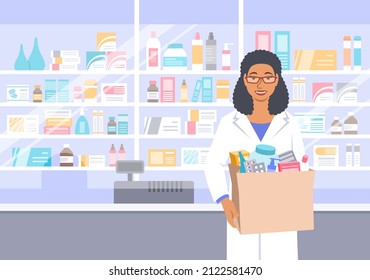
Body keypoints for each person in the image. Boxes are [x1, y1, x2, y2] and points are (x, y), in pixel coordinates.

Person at [204, 49, 307, 260]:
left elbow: (301, 167)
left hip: (282, 215)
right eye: (253, 77)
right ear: (244, 80)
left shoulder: (289, 123)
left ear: (277, 80)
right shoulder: (229, 123)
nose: (261, 84)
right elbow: (213, 164)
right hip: (243, 213)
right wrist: (224, 200)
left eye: (268, 77)